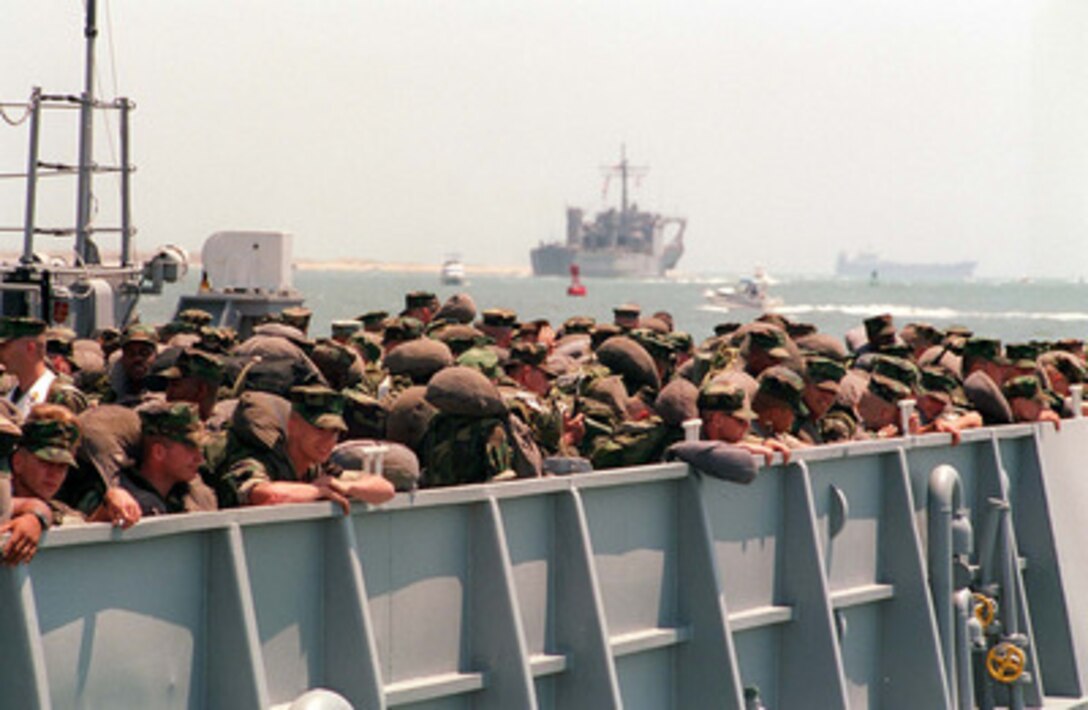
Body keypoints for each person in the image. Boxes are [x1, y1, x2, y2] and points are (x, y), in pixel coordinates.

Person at [218, 385, 395, 511]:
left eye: (335, 431)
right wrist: (318, 492)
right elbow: (268, 496)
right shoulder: (261, 458)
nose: (328, 440)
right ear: (293, 425)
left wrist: (344, 487)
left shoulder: (316, 466)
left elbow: (385, 489)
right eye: (320, 429)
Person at [118, 402, 217, 515]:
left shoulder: (196, 497)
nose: (200, 459)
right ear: (158, 452)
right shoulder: (124, 504)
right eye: (190, 448)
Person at [0, 316, 86, 416]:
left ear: (30, 348)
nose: (1, 353)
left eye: (4, 347)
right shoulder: (11, 396)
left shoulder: (62, 398)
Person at [106, 324, 159, 406]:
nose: (137, 359)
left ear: (155, 355)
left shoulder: (170, 391)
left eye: (144, 353)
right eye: (131, 353)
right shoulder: (111, 395)